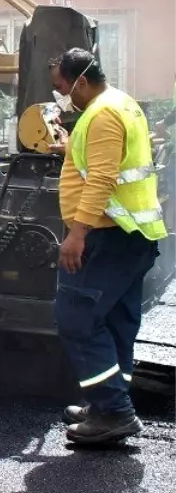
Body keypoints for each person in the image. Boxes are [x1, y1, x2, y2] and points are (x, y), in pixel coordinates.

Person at [49, 49, 167, 444]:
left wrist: (77, 233)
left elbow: (101, 177)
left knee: (76, 318)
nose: (62, 97)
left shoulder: (100, 114)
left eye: (62, 88)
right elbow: (101, 162)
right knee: (117, 322)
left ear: (80, 81)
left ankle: (114, 412)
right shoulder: (122, 105)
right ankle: (108, 403)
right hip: (131, 237)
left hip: (107, 235)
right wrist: (68, 149)